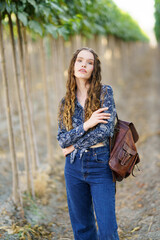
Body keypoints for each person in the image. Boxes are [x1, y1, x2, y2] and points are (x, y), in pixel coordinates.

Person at [57, 47, 119, 240]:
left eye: (89, 62)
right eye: (80, 60)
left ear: (94, 68)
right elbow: (62, 139)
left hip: (100, 163)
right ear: (73, 66)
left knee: (108, 230)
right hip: (73, 168)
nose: (84, 64)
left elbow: (105, 131)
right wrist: (87, 124)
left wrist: (75, 145)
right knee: (83, 229)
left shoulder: (104, 92)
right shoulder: (65, 102)